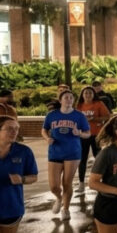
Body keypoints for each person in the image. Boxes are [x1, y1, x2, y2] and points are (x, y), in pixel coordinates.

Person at [41, 90, 90, 221]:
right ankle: (58, 198)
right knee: (54, 186)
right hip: (55, 151)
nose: (68, 100)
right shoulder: (52, 115)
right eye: (66, 98)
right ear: (60, 100)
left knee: (67, 183)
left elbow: (88, 133)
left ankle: (66, 209)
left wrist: (79, 133)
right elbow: (44, 129)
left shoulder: (79, 116)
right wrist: (47, 138)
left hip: (73, 152)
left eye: (71, 98)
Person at [76, 86, 111, 189]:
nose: (88, 95)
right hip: (83, 135)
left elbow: (107, 116)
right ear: (82, 95)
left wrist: (94, 119)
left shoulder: (98, 104)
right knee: (82, 159)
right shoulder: (79, 106)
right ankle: (81, 182)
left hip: (96, 135)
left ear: (93, 95)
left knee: (99, 157)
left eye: (90, 93)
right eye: (85, 93)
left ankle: (104, 178)